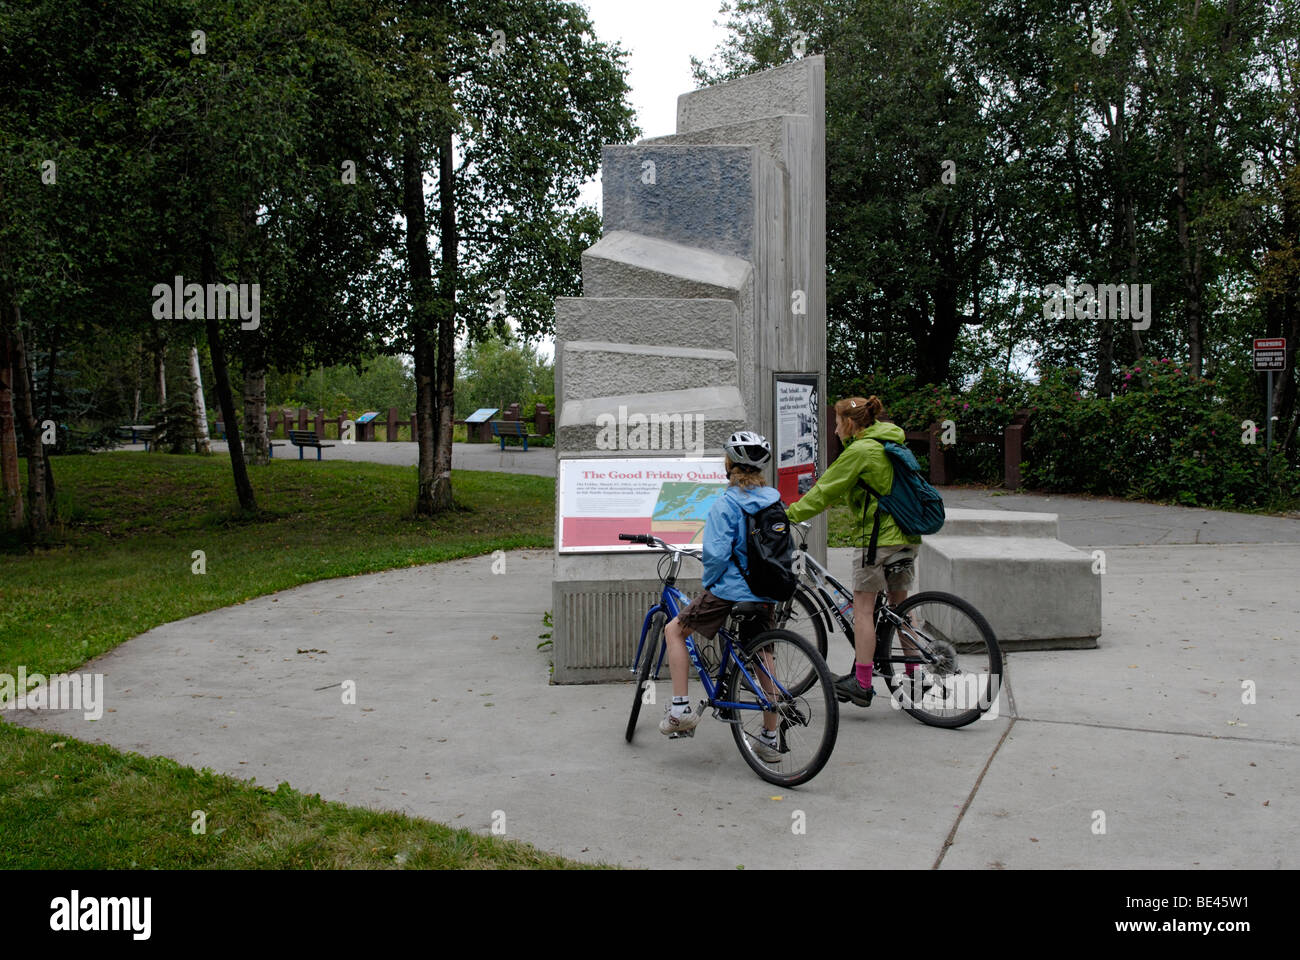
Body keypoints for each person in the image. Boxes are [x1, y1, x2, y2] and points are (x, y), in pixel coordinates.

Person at [784, 396, 921, 707]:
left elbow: (824, 491)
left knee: (862, 608)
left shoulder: (860, 450)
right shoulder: (890, 441)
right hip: (907, 535)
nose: (834, 430)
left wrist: (788, 514)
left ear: (848, 423)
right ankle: (916, 674)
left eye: (836, 423)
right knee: (900, 607)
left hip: (878, 539)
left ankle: (861, 682)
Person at [660, 430, 783, 761]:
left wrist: (710, 587)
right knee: (762, 656)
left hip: (729, 590)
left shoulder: (725, 505)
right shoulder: (774, 500)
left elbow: (715, 558)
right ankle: (770, 738)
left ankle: (680, 710)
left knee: (675, 629)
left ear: (729, 464)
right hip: (764, 592)